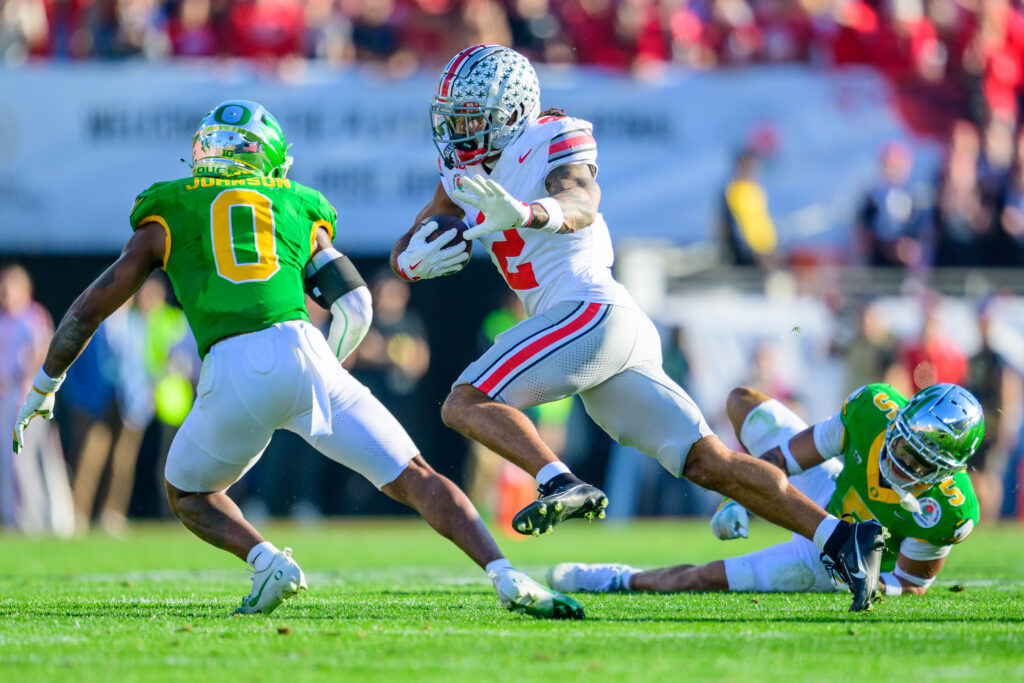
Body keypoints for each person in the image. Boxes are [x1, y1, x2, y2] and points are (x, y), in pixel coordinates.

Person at [13, 99, 582, 620]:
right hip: (304, 349)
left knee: (187, 493)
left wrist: (43, 387)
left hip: (230, 366)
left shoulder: (169, 208)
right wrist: (323, 369)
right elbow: (357, 305)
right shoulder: (293, 203)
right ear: (269, 157)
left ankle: (265, 562)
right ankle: (507, 575)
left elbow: (89, 310)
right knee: (415, 476)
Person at [390, 44, 888, 611]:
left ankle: (559, 481)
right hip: (596, 332)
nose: (459, 130)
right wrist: (409, 256)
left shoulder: (551, 135)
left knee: (464, 401)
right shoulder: (461, 170)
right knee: (708, 462)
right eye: (453, 117)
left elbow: (582, 199)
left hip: (589, 311)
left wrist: (528, 213)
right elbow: (424, 229)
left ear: (510, 111)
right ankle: (841, 536)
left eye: (472, 117)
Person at [549, 383, 984, 599]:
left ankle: (615, 578)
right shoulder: (873, 410)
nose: (902, 463)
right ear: (899, 420)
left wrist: (865, 583)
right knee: (742, 401)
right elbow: (786, 459)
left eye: (920, 462)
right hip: (826, 493)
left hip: (839, 559)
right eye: (905, 445)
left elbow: (909, 586)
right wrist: (740, 492)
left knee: (700, 578)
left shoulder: (949, 510)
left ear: (950, 470)